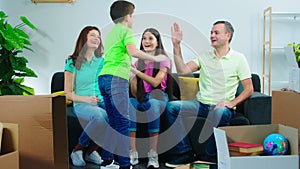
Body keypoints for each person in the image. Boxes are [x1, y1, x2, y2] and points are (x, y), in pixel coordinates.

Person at [164, 21, 254, 168]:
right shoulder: (204, 56)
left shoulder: (238, 59)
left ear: (227, 35)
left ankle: (209, 158)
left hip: (221, 107)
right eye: (211, 32)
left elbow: (249, 89)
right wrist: (176, 45)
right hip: (200, 104)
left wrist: (231, 104)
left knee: (219, 111)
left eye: (216, 32)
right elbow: (183, 70)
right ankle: (184, 154)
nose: (212, 35)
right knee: (171, 107)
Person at [98, 1, 168, 169]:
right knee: (122, 122)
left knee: (114, 121)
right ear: (128, 16)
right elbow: (132, 51)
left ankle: (107, 161)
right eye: (133, 15)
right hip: (116, 79)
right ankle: (124, 164)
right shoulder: (126, 31)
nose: (134, 19)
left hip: (103, 78)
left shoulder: (111, 33)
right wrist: (154, 58)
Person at [64, 26, 109, 167]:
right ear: (84, 38)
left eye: (99, 36)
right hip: (82, 102)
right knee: (100, 117)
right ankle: (78, 149)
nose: (97, 38)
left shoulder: (101, 62)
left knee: (117, 115)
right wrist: (87, 100)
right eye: (93, 35)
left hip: (99, 100)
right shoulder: (72, 62)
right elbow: (67, 93)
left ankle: (91, 151)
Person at [128, 28, 172, 168]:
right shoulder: (137, 63)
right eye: (144, 38)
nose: (146, 41)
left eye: (150, 38)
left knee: (152, 104)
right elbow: (135, 93)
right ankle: (132, 152)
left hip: (158, 96)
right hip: (142, 97)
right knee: (130, 102)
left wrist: (136, 72)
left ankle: (153, 154)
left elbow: (155, 82)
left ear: (157, 41)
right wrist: (132, 78)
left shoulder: (164, 60)